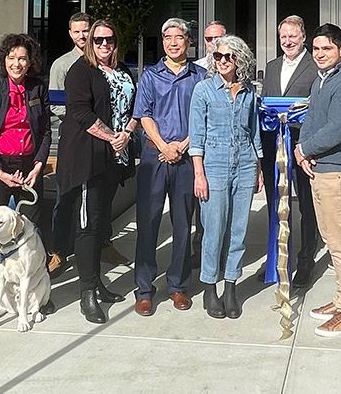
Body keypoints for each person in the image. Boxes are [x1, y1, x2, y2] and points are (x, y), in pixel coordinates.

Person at [56, 19, 137, 324]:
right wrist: (112, 136)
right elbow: (80, 111)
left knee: (102, 223)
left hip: (116, 157)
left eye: (110, 39)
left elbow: (134, 108)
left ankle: (99, 284)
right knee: (88, 226)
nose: (105, 45)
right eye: (98, 40)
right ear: (89, 42)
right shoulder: (81, 71)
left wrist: (126, 133)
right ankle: (87, 292)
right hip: (89, 158)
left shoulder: (124, 70)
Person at [0, 34, 53, 324]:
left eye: (22, 58)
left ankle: (37, 294)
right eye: (12, 58)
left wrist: (39, 164)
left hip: (29, 167)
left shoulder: (37, 88)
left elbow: (44, 132)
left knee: (32, 233)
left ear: (30, 62)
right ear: (4, 60)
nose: (17, 63)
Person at [294, 23, 341, 337]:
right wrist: (303, 150)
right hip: (321, 170)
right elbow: (312, 119)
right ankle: (340, 300)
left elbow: (337, 130)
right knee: (332, 241)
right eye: (317, 48)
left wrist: (305, 149)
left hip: (340, 173)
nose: (320, 54)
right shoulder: (321, 81)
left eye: (327, 48)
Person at [131, 18, 201, 317]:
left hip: (186, 158)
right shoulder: (149, 75)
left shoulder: (200, 75)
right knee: (147, 223)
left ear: (188, 41)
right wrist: (163, 146)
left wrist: (182, 146)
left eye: (179, 37)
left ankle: (178, 286)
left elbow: (203, 116)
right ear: (162, 42)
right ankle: (144, 290)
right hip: (154, 157)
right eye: (168, 37)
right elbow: (144, 115)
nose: (173, 42)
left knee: (183, 224)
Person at [190, 34, 263, 320]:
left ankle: (231, 286)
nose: (222, 61)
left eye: (228, 56)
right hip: (214, 164)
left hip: (245, 163)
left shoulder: (249, 92)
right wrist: (199, 174)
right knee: (214, 229)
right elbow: (197, 136)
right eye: (218, 56)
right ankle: (210, 287)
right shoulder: (204, 90)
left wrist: (257, 169)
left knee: (238, 229)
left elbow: (254, 131)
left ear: (239, 60)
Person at [260, 15, 320, 287]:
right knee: (276, 205)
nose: (288, 41)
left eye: (293, 36)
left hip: (302, 148)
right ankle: (278, 261)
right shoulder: (272, 67)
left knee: (307, 205)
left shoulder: (314, 66)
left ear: (303, 37)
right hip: (276, 148)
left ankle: (305, 261)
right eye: (283, 36)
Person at [47, 12, 92, 273]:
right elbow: (56, 105)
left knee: (98, 197)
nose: (82, 35)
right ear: (70, 33)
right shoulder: (62, 65)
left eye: (85, 30)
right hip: (72, 139)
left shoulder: (101, 60)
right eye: (77, 31)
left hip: (100, 140)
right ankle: (59, 251)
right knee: (66, 196)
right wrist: (85, 118)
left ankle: (102, 244)